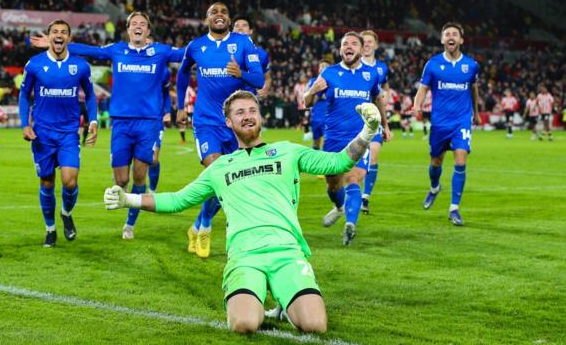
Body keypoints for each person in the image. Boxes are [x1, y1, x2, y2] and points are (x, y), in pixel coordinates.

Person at [103, 90, 382, 334]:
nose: (247, 116)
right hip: (244, 257)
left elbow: (338, 162)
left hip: (287, 252)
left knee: (315, 325)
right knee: (245, 324)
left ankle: (285, 303)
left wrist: (367, 131)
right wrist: (129, 199)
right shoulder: (220, 167)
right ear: (229, 122)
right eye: (240, 113)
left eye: (252, 111)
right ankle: (266, 299)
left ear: (260, 117)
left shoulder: (287, 152)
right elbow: (178, 200)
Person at [32, 12, 184, 239]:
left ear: (148, 31)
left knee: (140, 176)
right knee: (121, 180)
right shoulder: (117, 49)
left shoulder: (160, 51)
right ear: (128, 29)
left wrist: (216, 47)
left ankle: (130, 225)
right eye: (134, 23)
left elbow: (188, 53)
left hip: (148, 123)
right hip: (121, 123)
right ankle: (123, 200)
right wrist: (62, 44)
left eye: (143, 24)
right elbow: (93, 51)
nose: (138, 26)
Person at [176, 2, 264, 258]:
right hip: (206, 121)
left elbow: (259, 80)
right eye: (214, 12)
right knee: (216, 171)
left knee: (227, 181)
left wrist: (242, 73)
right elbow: (182, 74)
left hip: (235, 123)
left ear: (229, 19)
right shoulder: (196, 46)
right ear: (206, 19)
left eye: (224, 12)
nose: (219, 16)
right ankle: (205, 228)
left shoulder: (244, 43)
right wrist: (180, 105)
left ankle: (197, 225)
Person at [304, 31, 390, 245]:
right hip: (333, 139)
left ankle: (351, 224)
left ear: (361, 49)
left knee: (353, 178)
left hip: (360, 138)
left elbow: (379, 100)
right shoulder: (329, 73)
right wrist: (313, 90)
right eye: (344, 44)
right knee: (333, 185)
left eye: (353, 43)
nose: (348, 46)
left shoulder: (371, 75)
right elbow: (306, 102)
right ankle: (340, 207)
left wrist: (385, 126)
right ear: (340, 49)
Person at [19, 19, 98, 247]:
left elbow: (90, 95)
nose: (59, 35)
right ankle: (50, 229)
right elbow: (24, 96)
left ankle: (66, 213)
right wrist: (25, 124)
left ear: (69, 38)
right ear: (49, 36)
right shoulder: (34, 64)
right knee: (46, 182)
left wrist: (93, 120)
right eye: (55, 32)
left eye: (64, 32)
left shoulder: (81, 66)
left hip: (68, 133)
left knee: (70, 182)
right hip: (42, 133)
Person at [412, 22, 480, 226]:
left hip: (462, 122)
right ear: (442, 40)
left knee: (461, 161)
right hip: (440, 122)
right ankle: (434, 187)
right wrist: (417, 105)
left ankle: (454, 209)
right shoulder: (432, 64)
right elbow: (423, 88)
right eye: (447, 34)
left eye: (455, 34)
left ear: (461, 40)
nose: (451, 37)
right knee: (436, 163)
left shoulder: (471, 65)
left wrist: (476, 113)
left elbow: (474, 90)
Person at [358, 30, 390, 214]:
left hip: (374, 118)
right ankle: (349, 192)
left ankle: (365, 197)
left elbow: (384, 87)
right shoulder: (354, 65)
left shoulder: (381, 68)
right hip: (355, 118)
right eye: (364, 41)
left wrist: (385, 124)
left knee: (374, 153)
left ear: (376, 45)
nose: (367, 44)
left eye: (370, 41)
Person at [232, 15, 272, 98]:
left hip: (250, 100)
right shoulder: (222, 51)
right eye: (237, 26)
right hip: (226, 100)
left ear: (251, 31)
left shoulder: (261, 54)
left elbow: (267, 78)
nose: (240, 28)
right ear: (232, 31)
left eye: (244, 25)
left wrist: (265, 88)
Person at [304, 59, 331, 150]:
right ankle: (316, 160)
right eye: (321, 66)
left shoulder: (333, 82)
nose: (323, 68)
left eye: (325, 66)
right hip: (315, 115)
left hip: (327, 116)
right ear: (318, 69)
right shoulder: (312, 81)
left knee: (328, 142)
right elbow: (307, 98)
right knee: (316, 142)